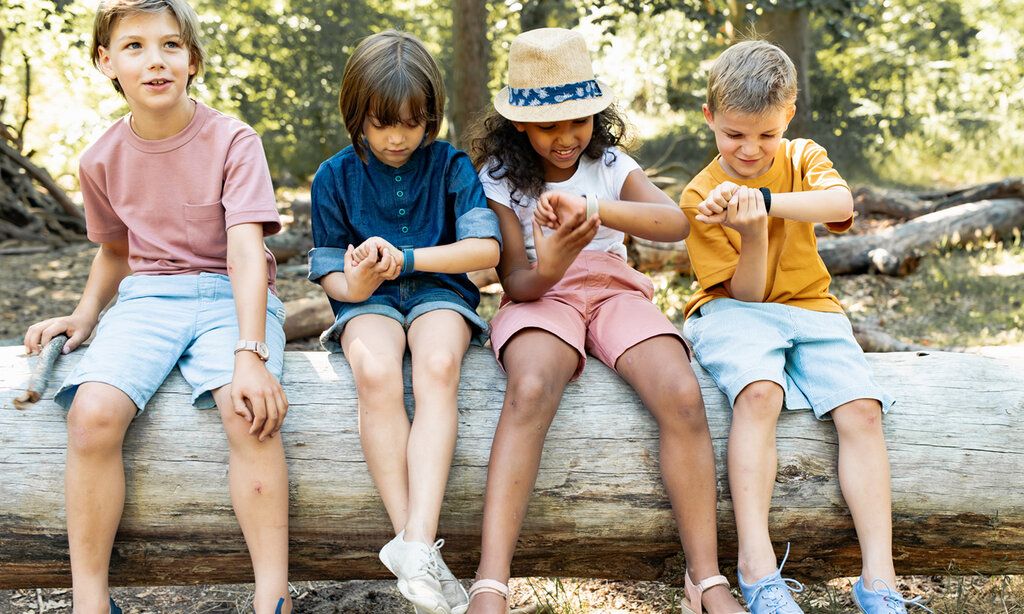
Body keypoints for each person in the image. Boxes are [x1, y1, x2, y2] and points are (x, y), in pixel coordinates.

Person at [463, 27, 746, 614]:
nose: (566, 138)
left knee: (681, 393)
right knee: (531, 385)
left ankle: (705, 578)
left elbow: (674, 224)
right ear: (520, 123)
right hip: (544, 295)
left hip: (615, 289)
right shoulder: (498, 178)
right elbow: (515, 282)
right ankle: (491, 582)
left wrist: (594, 209)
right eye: (549, 125)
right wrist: (555, 261)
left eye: (579, 121)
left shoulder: (610, 163)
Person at [22, 1, 291, 612]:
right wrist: (85, 314)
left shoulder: (233, 140)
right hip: (147, 299)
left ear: (192, 61)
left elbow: (247, 253)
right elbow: (116, 250)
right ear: (106, 62)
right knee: (90, 415)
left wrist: (251, 352)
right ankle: (90, 599)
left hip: (232, 296)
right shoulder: (100, 158)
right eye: (135, 47)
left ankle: (273, 598)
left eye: (171, 46)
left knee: (247, 411)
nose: (155, 61)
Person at [680, 40, 930, 614]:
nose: (750, 149)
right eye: (734, 134)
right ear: (710, 119)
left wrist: (764, 204)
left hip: (812, 308)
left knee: (862, 410)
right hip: (732, 311)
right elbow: (746, 293)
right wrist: (751, 234)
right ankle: (757, 566)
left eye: (766, 135)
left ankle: (880, 581)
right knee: (761, 394)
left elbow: (840, 202)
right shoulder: (700, 195)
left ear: (787, 117)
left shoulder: (802, 156)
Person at [307, 29, 502, 614]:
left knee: (440, 363)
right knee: (375, 372)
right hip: (369, 304)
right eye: (382, 123)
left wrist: (409, 258)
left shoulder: (451, 166)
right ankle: (415, 543)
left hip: (440, 290)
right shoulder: (332, 177)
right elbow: (334, 279)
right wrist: (361, 281)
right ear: (356, 116)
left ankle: (417, 539)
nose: (397, 138)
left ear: (431, 117)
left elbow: (485, 253)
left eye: (413, 123)